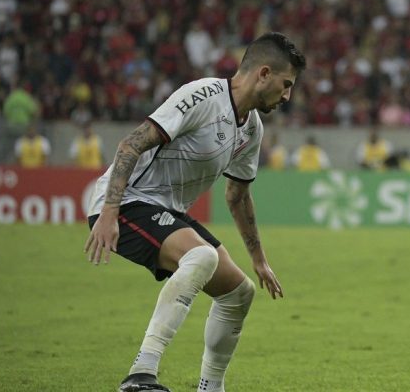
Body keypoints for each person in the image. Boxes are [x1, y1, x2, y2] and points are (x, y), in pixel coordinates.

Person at [84, 32, 306, 392]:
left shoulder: (252, 128)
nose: (287, 97)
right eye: (286, 85)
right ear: (264, 73)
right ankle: (141, 375)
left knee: (239, 293)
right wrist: (109, 211)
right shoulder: (202, 96)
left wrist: (259, 259)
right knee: (202, 256)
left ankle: (210, 388)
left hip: (166, 210)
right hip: (126, 201)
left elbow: (237, 196)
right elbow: (131, 144)